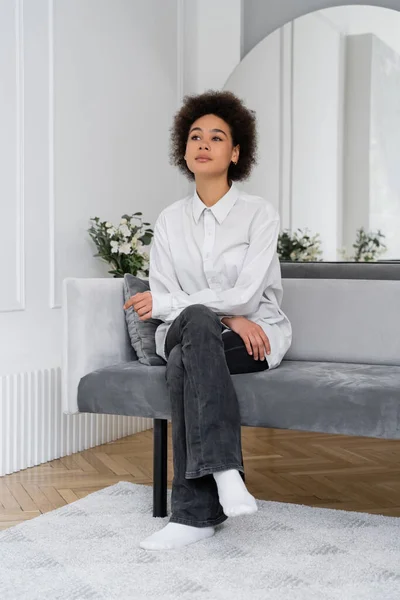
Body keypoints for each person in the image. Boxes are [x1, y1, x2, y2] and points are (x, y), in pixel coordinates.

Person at [123, 90, 292, 551]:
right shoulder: (170, 220)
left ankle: (195, 516)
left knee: (185, 360)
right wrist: (224, 315)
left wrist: (229, 317)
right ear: (184, 149)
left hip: (253, 339)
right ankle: (224, 471)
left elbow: (246, 294)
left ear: (235, 153)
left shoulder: (259, 214)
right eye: (195, 136)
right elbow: (165, 290)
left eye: (216, 137)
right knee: (196, 323)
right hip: (200, 330)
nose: (203, 143)